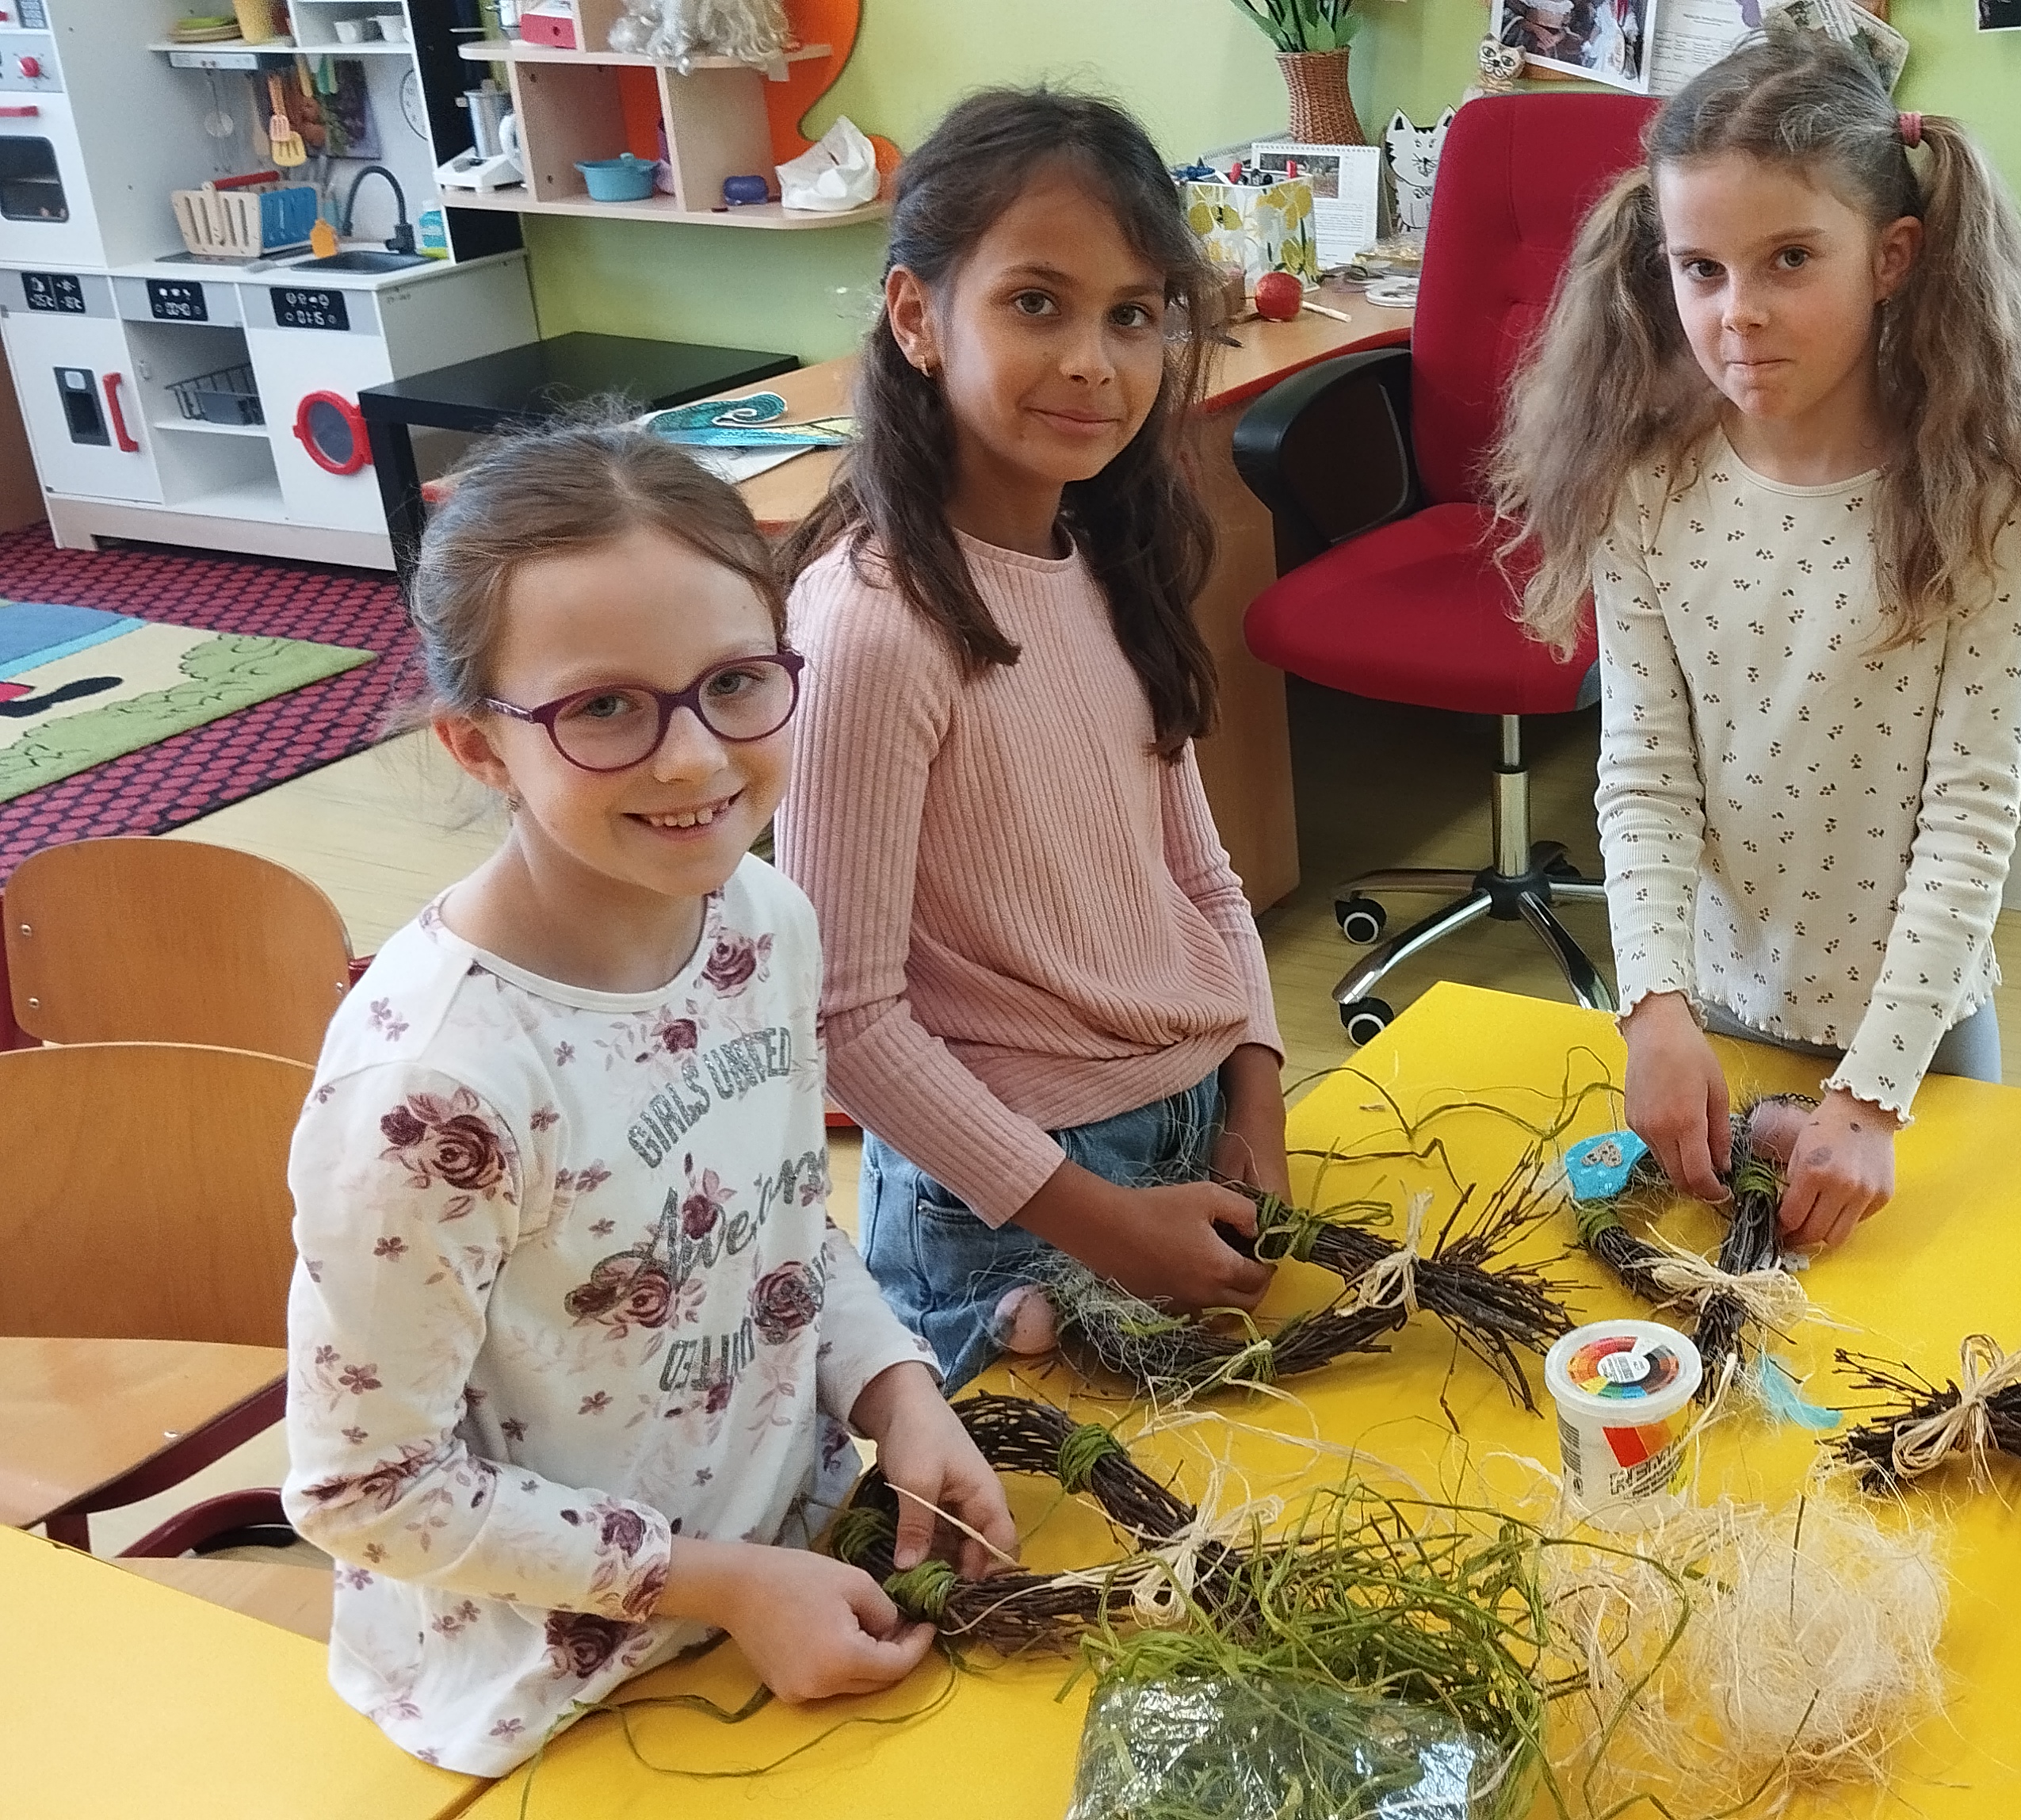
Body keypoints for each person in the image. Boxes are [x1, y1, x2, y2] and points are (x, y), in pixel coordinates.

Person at [281, 423, 1015, 1776]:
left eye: (735, 682)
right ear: (478, 746)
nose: (692, 758)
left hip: (800, 1577)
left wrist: (896, 1388)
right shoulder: (429, 1092)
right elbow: (364, 1486)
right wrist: (723, 1584)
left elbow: (776, 1226)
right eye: (605, 709)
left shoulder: (764, 921)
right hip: (553, 1696)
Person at [1492, 20, 2021, 1250]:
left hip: (1913, 1038)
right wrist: (1654, 1009)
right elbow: (1646, 772)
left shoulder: (1975, 501)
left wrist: (1871, 1098)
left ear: (1892, 257)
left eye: (1791, 260)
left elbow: (1970, 814)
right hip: (1715, 1006)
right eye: (1700, 268)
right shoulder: (1646, 486)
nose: (1739, 314)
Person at [777, 88, 1285, 1391]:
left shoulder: (1106, 554)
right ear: (915, 317)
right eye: (1036, 303)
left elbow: (1200, 875)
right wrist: (1102, 1223)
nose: (1094, 361)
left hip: (1188, 1130)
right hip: (1011, 1203)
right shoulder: (875, 624)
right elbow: (845, 1018)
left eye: (1134, 315)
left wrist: (1258, 1092)